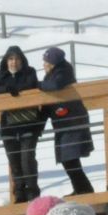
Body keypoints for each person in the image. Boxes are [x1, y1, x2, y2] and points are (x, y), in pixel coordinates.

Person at [0, 45, 44, 204]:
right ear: (6, 61)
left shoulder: (29, 72)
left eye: (17, 59)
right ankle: (19, 194)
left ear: (22, 60)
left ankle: (32, 192)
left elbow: (31, 85)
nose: (14, 62)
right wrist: (6, 88)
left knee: (27, 159)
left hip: (29, 124)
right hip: (8, 126)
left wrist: (15, 89)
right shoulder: (2, 75)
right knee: (14, 162)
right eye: (11, 59)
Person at [39, 48, 95, 195]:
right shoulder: (51, 75)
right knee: (68, 159)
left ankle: (84, 190)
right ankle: (82, 189)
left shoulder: (63, 71)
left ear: (53, 63)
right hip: (63, 122)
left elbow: (56, 86)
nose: (44, 64)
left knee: (69, 158)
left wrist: (36, 85)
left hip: (72, 121)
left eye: (47, 61)